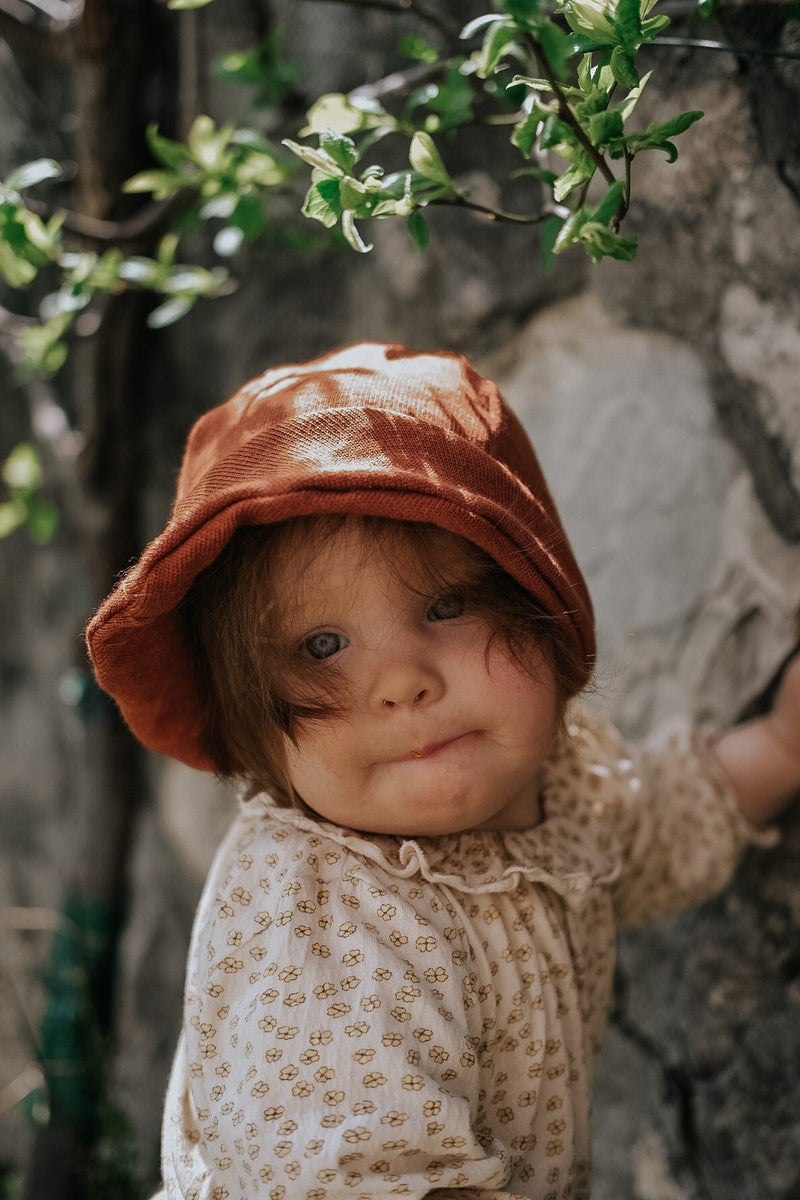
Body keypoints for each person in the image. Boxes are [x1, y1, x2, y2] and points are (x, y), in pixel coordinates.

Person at [86, 342, 800, 1200]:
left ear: (546, 604)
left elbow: (648, 830)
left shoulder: (554, 793)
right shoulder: (317, 917)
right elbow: (361, 1178)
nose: (402, 681)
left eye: (447, 605)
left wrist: (782, 746)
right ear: (250, 718)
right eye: (322, 646)